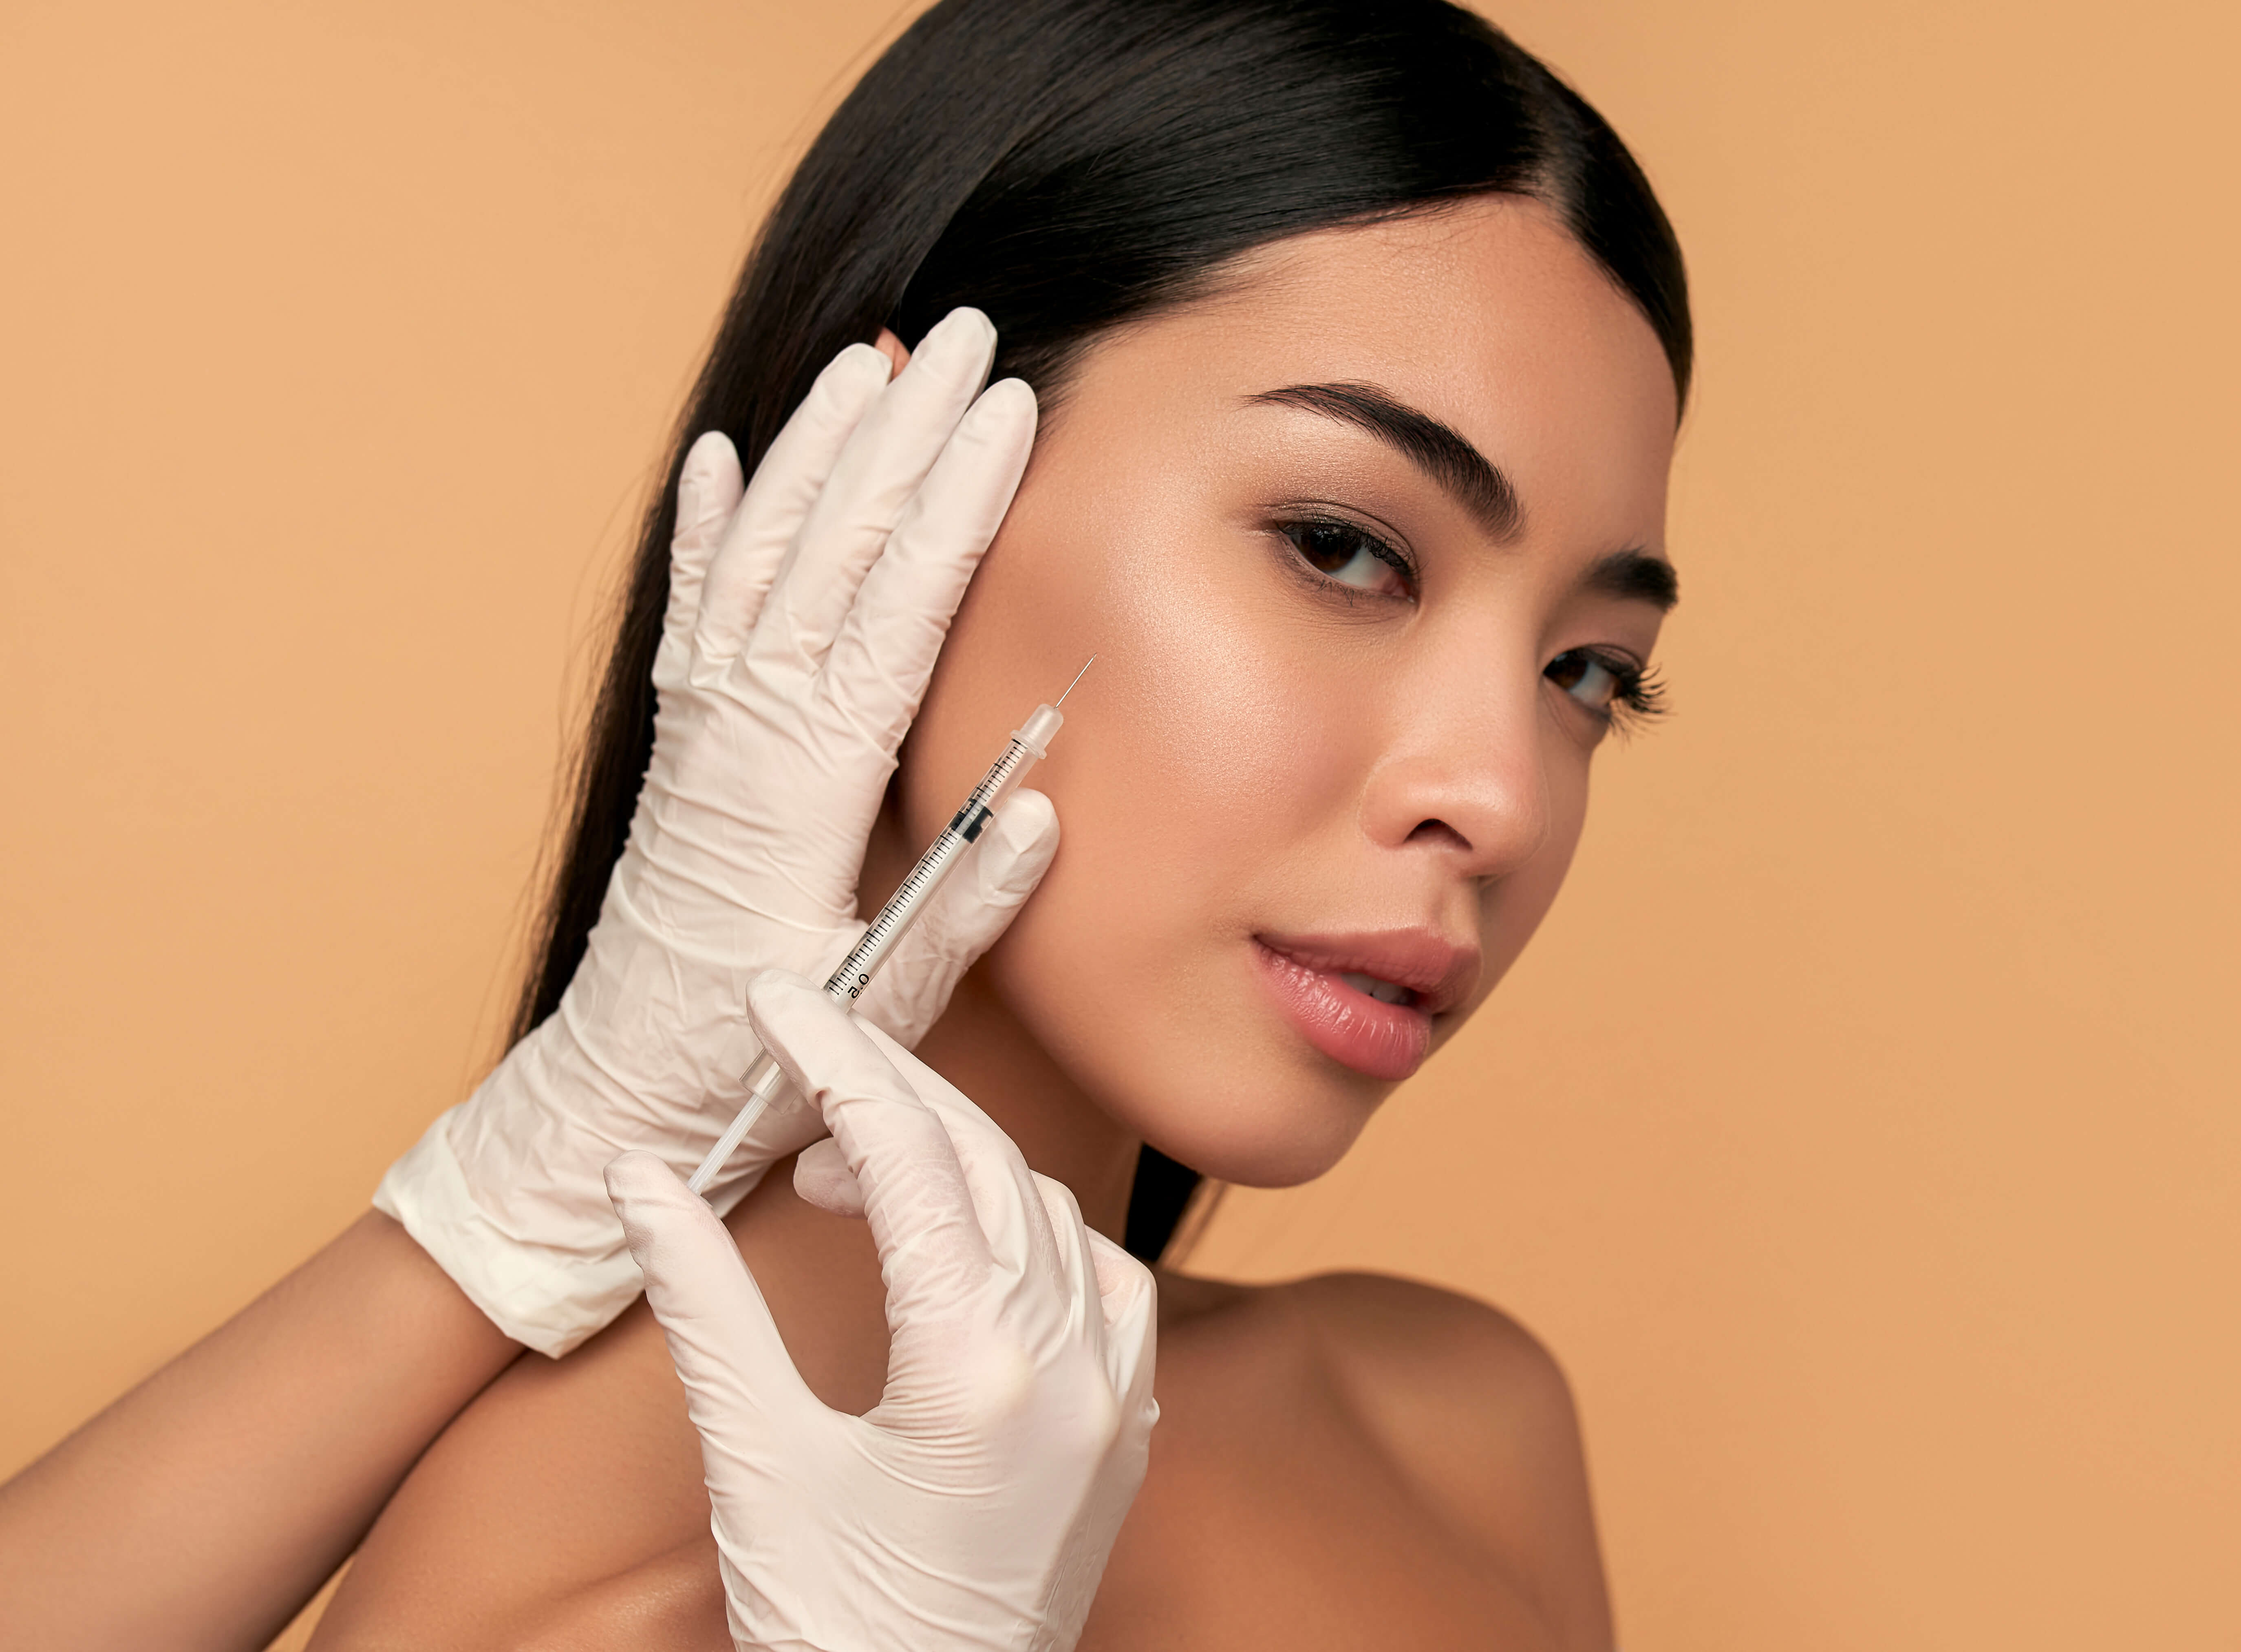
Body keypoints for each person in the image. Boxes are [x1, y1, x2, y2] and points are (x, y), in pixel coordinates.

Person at [0, 0, 1690, 1645]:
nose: (1499, 795)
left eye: (1590, 672)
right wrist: (518, 1191)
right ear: (886, 478)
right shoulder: (567, 1597)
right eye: (1340, 545)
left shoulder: (1457, 1434)